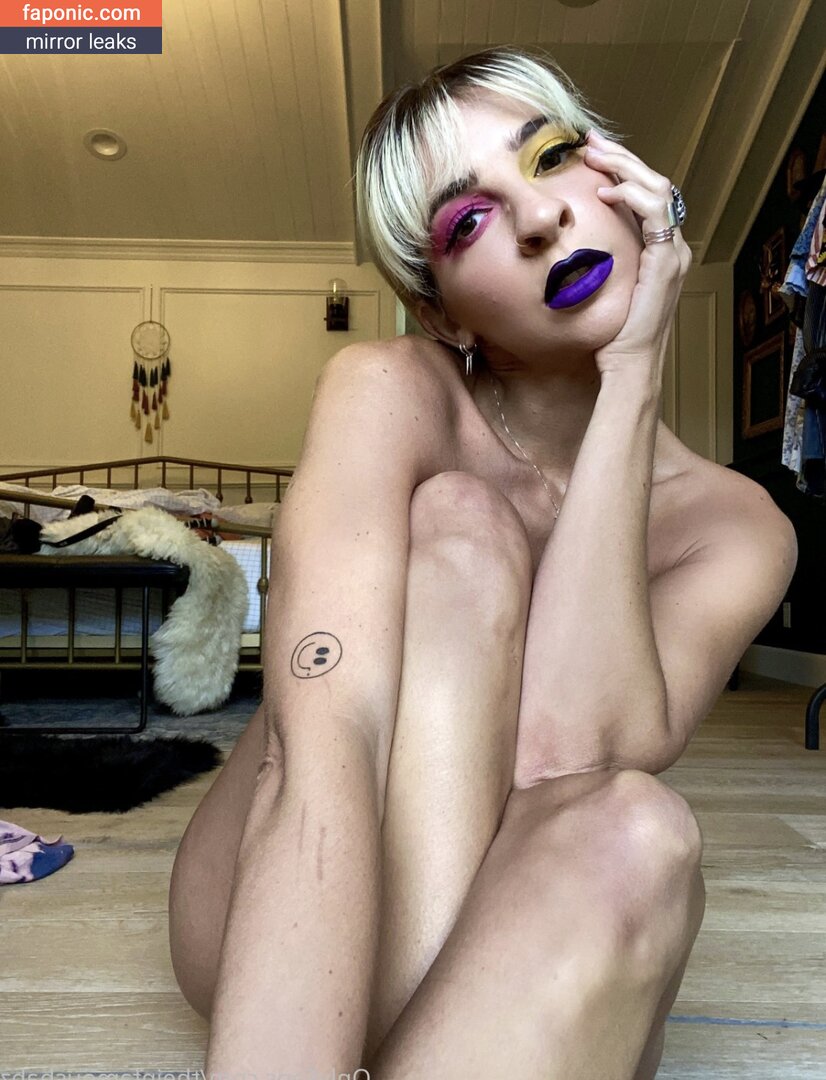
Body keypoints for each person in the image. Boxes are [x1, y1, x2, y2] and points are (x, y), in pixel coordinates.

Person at [168, 46, 797, 1078]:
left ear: (620, 175)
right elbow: (326, 744)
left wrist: (635, 372)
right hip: (281, 901)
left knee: (642, 832)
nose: (540, 218)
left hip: (506, 902)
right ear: (440, 311)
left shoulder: (736, 526)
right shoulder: (389, 390)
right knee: (462, 527)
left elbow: (571, 755)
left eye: (550, 157)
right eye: (468, 222)